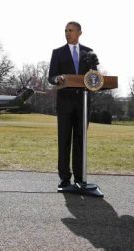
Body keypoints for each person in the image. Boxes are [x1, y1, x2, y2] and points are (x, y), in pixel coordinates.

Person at [48, 21, 96, 190]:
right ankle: (64, 179)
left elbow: (94, 77)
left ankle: (80, 178)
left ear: (80, 33)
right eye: (66, 30)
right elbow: (51, 76)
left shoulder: (89, 52)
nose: (67, 33)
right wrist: (57, 78)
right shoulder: (58, 53)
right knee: (65, 140)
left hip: (83, 103)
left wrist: (95, 68)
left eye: (71, 30)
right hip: (65, 104)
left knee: (80, 141)